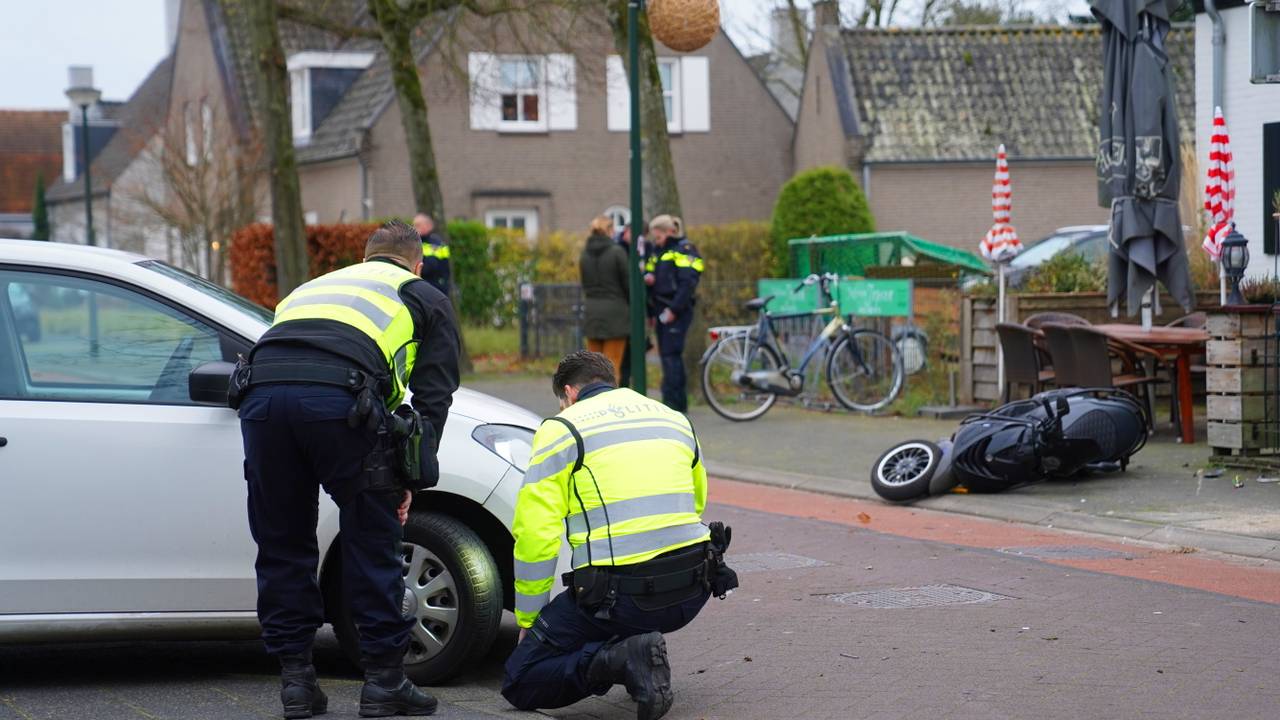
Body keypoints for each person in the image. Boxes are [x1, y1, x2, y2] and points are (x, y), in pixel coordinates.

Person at [236, 220, 459, 718]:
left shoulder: (308, 290)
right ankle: (384, 683)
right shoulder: (422, 295)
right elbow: (433, 398)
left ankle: (296, 683)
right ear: (416, 264)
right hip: (340, 404)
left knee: (282, 544)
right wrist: (409, 479)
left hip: (262, 404)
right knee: (372, 542)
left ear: (363, 259)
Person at [502, 351, 729, 720]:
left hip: (621, 597)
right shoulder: (673, 418)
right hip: (691, 588)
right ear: (612, 381)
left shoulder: (563, 428)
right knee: (612, 606)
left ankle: (619, 658)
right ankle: (634, 652)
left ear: (570, 393)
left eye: (562, 402)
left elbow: (535, 535)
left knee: (520, 678)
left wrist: (528, 620)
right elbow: (697, 499)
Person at [643, 215, 703, 413]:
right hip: (661, 309)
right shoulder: (659, 251)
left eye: (658, 237)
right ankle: (671, 400)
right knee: (667, 356)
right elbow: (653, 273)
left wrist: (674, 310)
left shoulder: (685, 250)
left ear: (669, 232)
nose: (656, 241)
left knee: (671, 356)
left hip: (675, 311)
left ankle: (675, 403)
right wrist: (650, 278)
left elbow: (688, 284)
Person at [580, 215, 630, 383]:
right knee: (612, 365)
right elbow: (628, 284)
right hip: (615, 314)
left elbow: (585, 284)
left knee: (593, 367)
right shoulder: (617, 252)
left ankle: (594, 401)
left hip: (592, 312)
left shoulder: (584, 255)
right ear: (608, 230)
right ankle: (611, 404)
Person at [414, 212, 451, 297]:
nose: (414, 228)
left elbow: (428, 268)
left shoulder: (435, 244)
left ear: (428, 226)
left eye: (418, 225)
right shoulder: (416, 242)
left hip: (435, 290)